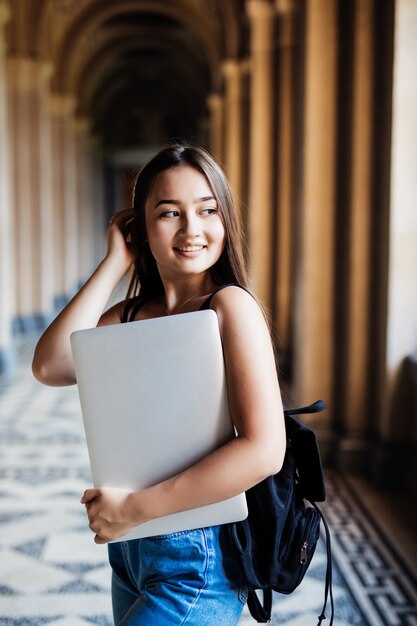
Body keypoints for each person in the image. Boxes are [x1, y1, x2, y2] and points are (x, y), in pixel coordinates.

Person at [32, 144, 286, 625]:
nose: (192, 229)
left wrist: (134, 508)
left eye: (208, 210)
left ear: (225, 219)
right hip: (132, 555)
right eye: (170, 213)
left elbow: (263, 449)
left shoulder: (229, 306)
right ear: (141, 227)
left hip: (199, 556)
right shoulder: (132, 315)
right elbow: (50, 365)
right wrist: (114, 263)